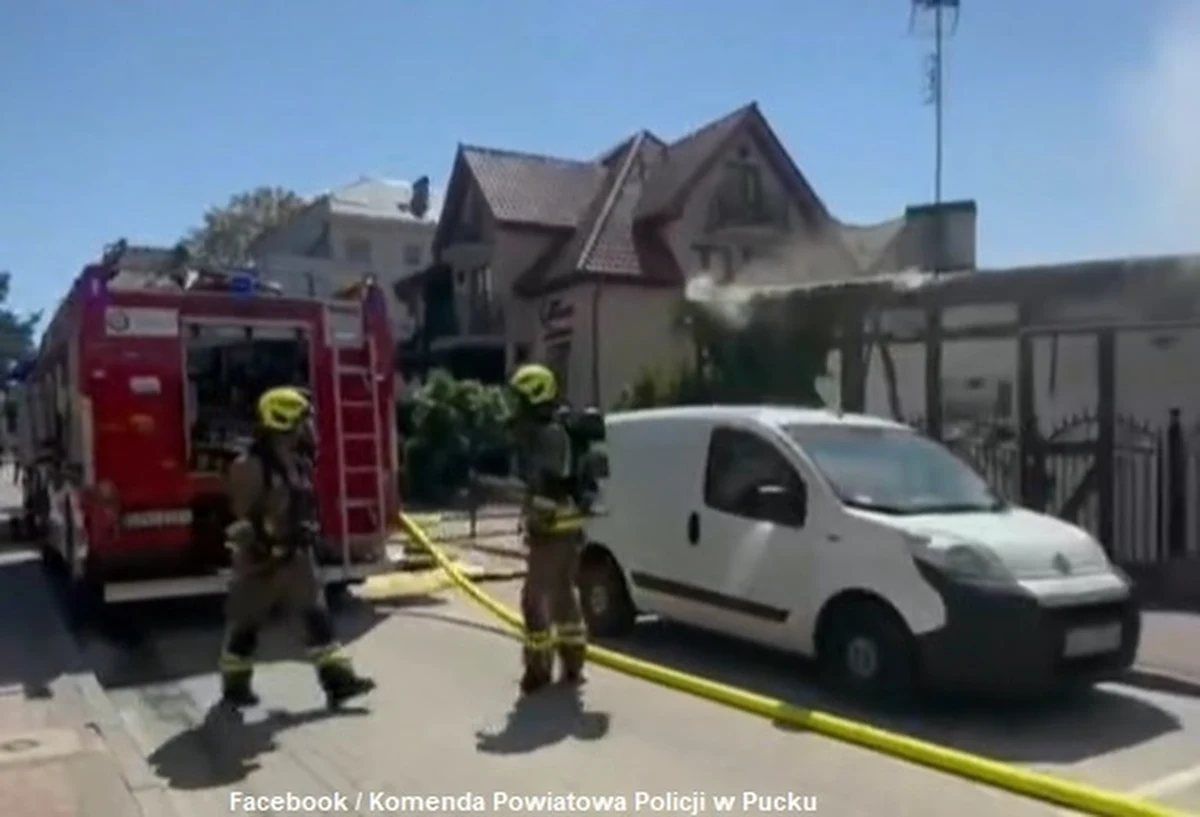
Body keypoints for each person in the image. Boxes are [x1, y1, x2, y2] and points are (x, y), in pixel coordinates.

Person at [218, 386, 375, 708]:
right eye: (303, 421)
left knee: (316, 617)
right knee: (246, 626)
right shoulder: (250, 466)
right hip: (261, 562)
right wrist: (261, 545)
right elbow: (242, 518)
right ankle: (235, 685)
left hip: (297, 557)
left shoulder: (296, 462)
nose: (309, 429)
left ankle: (339, 682)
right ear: (283, 421)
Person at [507, 363, 588, 694]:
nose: (516, 408)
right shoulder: (553, 430)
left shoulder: (549, 435)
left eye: (520, 400)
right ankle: (573, 664)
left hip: (554, 527)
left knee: (533, 600)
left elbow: (547, 484)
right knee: (563, 598)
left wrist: (530, 503)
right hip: (565, 526)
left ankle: (538, 671)